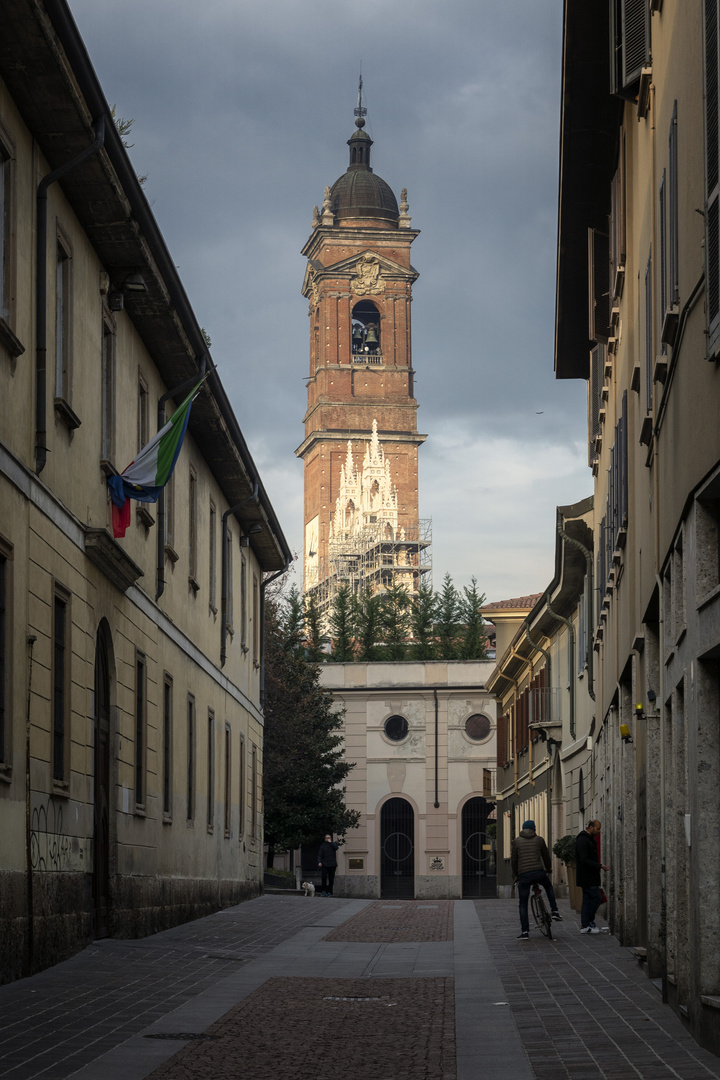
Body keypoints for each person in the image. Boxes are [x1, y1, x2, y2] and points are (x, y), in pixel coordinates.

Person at [511, 820, 562, 939]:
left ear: (522, 829)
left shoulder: (516, 841)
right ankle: (554, 911)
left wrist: (516, 874)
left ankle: (525, 932)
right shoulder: (539, 839)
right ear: (534, 828)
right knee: (548, 887)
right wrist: (548, 868)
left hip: (524, 875)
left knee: (523, 903)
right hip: (539, 872)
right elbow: (546, 856)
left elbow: (514, 860)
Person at [575, 819, 610, 934]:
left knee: (587, 900)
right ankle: (589, 921)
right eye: (597, 828)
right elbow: (583, 859)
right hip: (587, 876)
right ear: (590, 827)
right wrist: (599, 866)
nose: (599, 831)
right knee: (596, 897)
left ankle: (585, 925)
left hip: (589, 876)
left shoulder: (589, 839)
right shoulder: (583, 840)